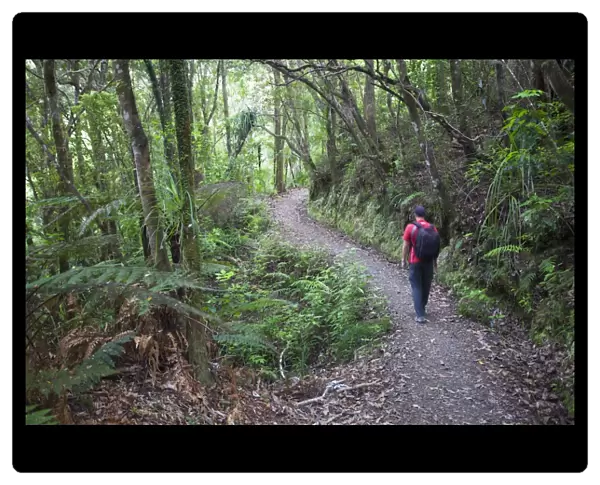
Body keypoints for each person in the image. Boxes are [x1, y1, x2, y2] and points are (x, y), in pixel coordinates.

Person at [401, 205, 440, 324]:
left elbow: (406, 245)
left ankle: (420, 315)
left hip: (415, 261)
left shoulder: (411, 227)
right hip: (428, 261)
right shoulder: (432, 228)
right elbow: (436, 246)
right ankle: (422, 307)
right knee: (426, 285)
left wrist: (403, 259)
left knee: (416, 286)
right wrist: (435, 262)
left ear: (415, 215)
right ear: (424, 215)